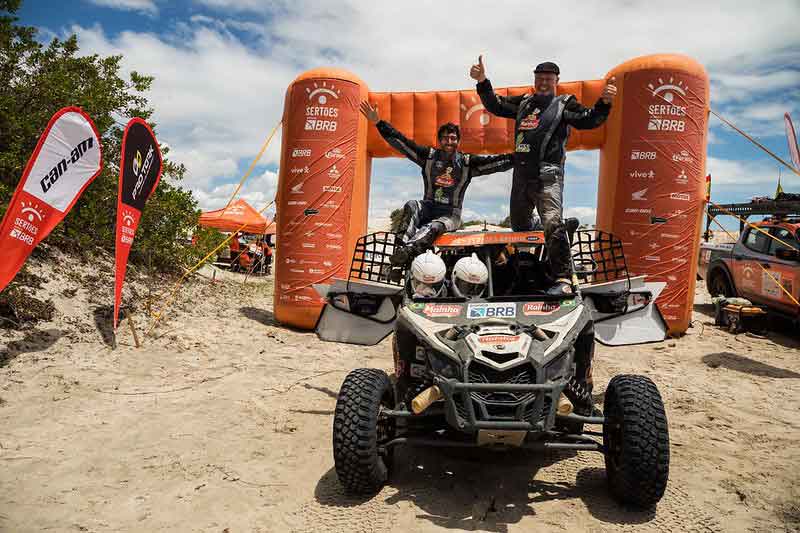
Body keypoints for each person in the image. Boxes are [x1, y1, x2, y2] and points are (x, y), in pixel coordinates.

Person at [470, 56, 617, 295]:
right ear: (534, 80)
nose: (543, 83)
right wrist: (482, 81)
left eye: (548, 79)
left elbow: (589, 120)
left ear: (557, 81)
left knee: (551, 222)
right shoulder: (525, 102)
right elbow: (496, 105)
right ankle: (526, 271)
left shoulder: (564, 103)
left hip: (548, 174)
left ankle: (564, 279)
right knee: (520, 226)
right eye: (539, 78)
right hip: (521, 176)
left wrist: (605, 102)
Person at [359, 101, 514, 267]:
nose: (449, 142)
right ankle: (400, 250)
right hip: (428, 207)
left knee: (434, 226)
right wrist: (378, 123)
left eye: (453, 138)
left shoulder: (467, 163)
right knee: (412, 204)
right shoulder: (429, 157)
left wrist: (519, 157)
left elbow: (497, 162)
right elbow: (402, 143)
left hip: (450, 215)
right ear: (440, 141)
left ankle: (407, 253)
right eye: (445, 138)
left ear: (458, 142)